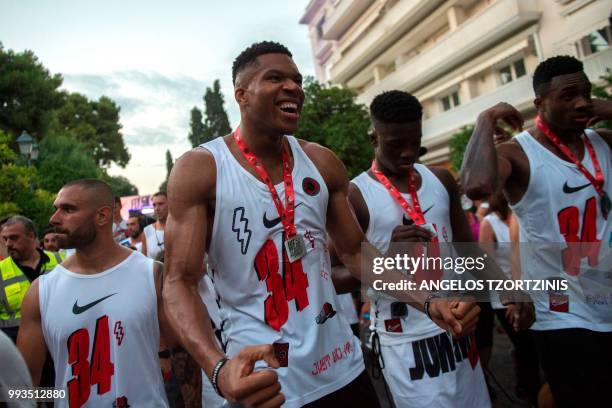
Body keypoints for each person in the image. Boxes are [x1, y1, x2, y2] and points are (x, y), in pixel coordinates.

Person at [164, 41, 479, 407]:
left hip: (342, 366)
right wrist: (217, 368)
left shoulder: (322, 162)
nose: (294, 87)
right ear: (242, 95)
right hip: (264, 376)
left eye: (297, 80)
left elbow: (356, 255)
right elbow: (178, 282)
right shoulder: (202, 168)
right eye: (275, 78)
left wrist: (428, 302)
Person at [461, 55, 612, 407]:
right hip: (561, 310)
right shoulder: (520, 153)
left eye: (586, 94)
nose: (582, 102)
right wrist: (485, 120)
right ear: (540, 104)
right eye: (568, 95)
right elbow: (477, 185)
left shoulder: (603, 141)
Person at [338, 90, 490, 407]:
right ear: (373, 138)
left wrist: (489, 297)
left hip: (457, 325)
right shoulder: (356, 195)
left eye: (415, 141)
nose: (408, 153)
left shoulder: (441, 178)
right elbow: (334, 275)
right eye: (396, 144)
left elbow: (468, 253)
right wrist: (388, 258)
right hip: (405, 338)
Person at [17, 179, 171, 407]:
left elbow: (182, 357)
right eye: (56, 209)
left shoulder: (153, 275)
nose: (54, 219)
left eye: (68, 209)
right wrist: (61, 395)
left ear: (102, 216)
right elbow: (23, 388)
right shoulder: (42, 291)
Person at [476, 191, 541, 404]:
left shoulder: (522, 215)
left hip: (533, 290)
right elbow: (487, 264)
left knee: (536, 344)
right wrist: (511, 299)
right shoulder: (489, 222)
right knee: (525, 346)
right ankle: (528, 390)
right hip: (505, 298)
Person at [0, 216, 63, 343]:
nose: (8, 244)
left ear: (31, 236)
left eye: (14, 238)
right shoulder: (1, 270)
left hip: (61, 340)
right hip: (19, 345)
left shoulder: (62, 260)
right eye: (5, 239)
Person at [144, 192, 167, 260]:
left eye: (160, 204)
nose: (157, 208)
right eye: (154, 205)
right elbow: (144, 261)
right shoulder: (147, 231)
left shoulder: (180, 227)